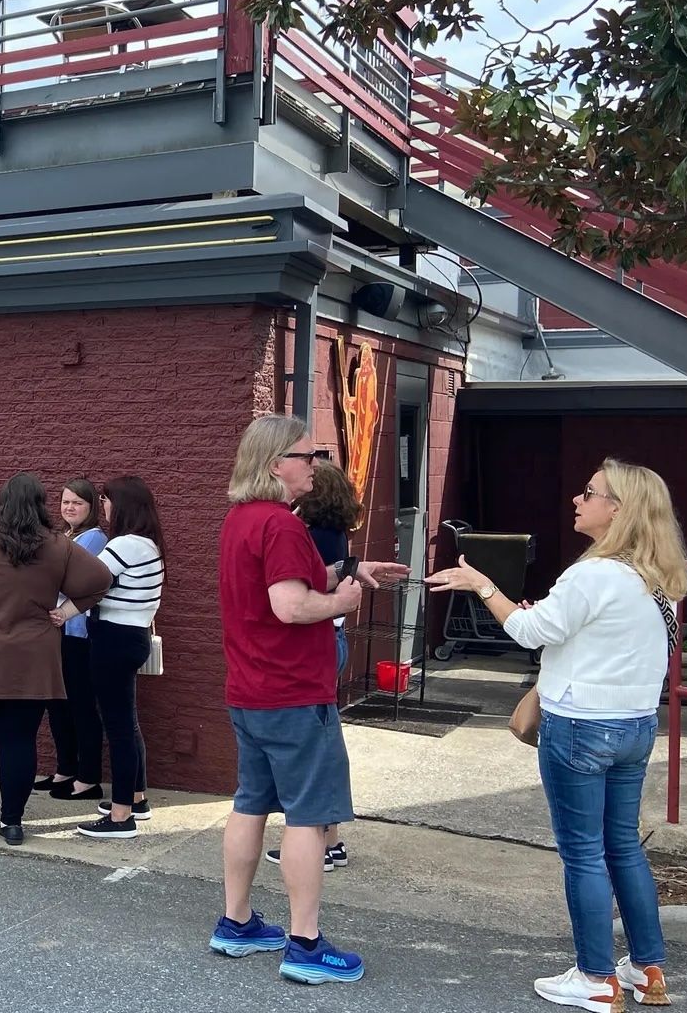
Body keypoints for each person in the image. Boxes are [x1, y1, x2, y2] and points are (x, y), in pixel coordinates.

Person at [428, 459, 687, 1012]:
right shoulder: (659, 580)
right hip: (635, 725)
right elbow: (597, 640)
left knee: (584, 854)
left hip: (580, 727)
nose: (577, 498)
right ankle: (647, 968)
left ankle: (595, 977)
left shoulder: (592, 574)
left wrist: (482, 584)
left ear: (618, 509)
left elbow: (527, 631)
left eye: (590, 492)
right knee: (622, 848)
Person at [209, 415, 405, 985]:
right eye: (307, 454)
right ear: (277, 465)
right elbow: (291, 606)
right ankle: (305, 943)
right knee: (310, 817)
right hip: (294, 692)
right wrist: (343, 601)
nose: (315, 463)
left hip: (249, 691)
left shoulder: (242, 520)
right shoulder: (283, 525)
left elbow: (283, 582)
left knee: (250, 803)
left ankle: (237, 922)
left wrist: (350, 568)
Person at [0, 473, 111, 845]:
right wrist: (67, 611)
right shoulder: (58, 546)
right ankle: (11, 822)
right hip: (34, 662)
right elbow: (101, 579)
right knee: (19, 741)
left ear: (2, 503)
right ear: (40, 504)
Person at [265, 460, 362, 870]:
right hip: (334, 639)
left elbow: (299, 593)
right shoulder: (334, 530)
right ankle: (331, 839)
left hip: (319, 643)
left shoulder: (307, 533)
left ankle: (318, 845)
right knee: (324, 745)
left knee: (312, 752)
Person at [71, 475, 166, 839]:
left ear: (122, 505)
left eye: (106, 500)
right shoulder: (147, 544)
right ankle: (137, 798)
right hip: (133, 636)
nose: (104, 507)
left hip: (113, 640)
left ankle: (121, 815)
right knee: (128, 722)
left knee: (119, 728)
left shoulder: (124, 545)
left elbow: (88, 581)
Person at [38, 478, 107, 800]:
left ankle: (88, 776)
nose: (70, 508)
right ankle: (65, 769)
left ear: (91, 507)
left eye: (77, 503)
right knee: (58, 704)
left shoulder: (94, 538)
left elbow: (65, 579)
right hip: (56, 633)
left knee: (80, 705)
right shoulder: (67, 536)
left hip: (78, 634)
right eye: (66, 502)